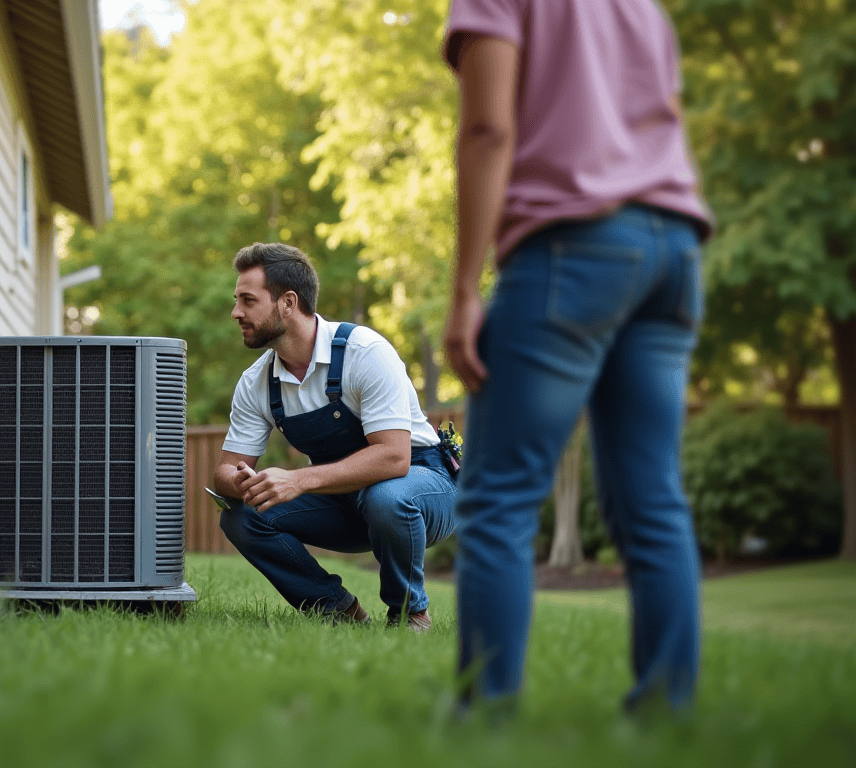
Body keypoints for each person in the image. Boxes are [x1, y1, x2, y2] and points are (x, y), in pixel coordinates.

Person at [440, 0, 713, 711]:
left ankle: (483, 712)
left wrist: (465, 288)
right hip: (674, 250)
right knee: (653, 498)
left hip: (572, 248)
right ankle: (666, 712)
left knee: (498, 497)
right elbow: (670, 120)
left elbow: (489, 127)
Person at [212, 242, 457, 630]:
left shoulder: (365, 353)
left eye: (247, 300)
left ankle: (409, 613)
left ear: (287, 302)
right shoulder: (257, 382)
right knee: (240, 517)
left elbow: (395, 458)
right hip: (343, 501)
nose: (235, 312)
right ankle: (337, 610)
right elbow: (222, 473)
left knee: (387, 495)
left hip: (424, 490)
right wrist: (244, 483)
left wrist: (298, 480)